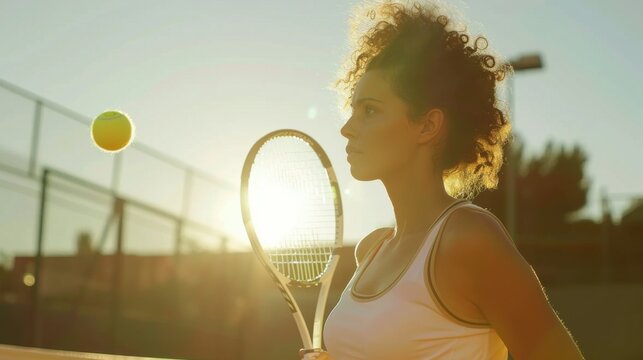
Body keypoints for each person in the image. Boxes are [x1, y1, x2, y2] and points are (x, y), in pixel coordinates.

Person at [301, 1, 586, 359]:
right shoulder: (371, 250)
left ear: (427, 125)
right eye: (353, 110)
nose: (347, 128)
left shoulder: (468, 237)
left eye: (370, 110)